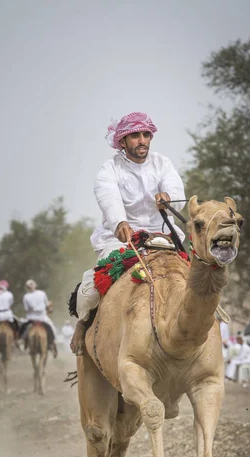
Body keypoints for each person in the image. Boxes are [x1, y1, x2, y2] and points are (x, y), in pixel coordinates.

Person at [71, 112, 186, 354]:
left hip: (163, 237)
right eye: (135, 136)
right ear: (122, 141)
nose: (142, 140)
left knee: (198, 279)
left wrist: (168, 199)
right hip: (122, 240)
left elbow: (175, 187)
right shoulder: (109, 169)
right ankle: (83, 323)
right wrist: (119, 222)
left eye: (146, 135)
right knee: (93, 287)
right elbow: (108, 198)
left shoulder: (162, 163)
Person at [20, 279, 57, 355]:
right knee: (52, 329)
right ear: (35, 285)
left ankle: (23, 343)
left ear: (27, 288)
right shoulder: (42, 293)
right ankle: (52, 344)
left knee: (22, 329)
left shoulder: (26, 296)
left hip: (31, 318)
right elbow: (47, 305)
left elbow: (26, 309)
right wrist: (49, 309)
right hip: (42, 317)